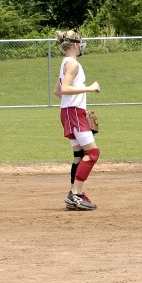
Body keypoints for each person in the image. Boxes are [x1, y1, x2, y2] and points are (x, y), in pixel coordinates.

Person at [53, 30, 101, 210]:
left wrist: (77, 105)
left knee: (79, 155)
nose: (81, 46)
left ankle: (76, 195)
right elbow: (65, 89)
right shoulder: (73, 64)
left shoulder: (65, 63)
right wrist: (90, 88)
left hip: (70, 112)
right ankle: (75, 194)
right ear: (74, 45)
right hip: (73, 113)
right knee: (93, 153)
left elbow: (57, 91)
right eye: (79, 43)